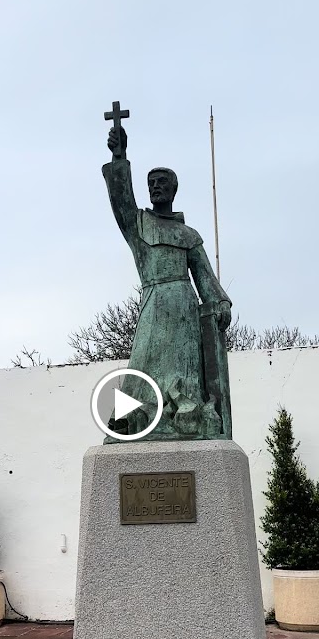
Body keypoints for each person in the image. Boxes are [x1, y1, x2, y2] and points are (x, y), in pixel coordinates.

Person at [103, 123, 232, 440]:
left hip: (183, 307)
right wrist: (120, 157)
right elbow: (121, 199)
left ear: (174, 190)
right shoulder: (139, 224)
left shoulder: (188, 235)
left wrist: (220, 304)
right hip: (153, 302)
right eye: (151, 183)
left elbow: (205, 278)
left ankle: (185, 413)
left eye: (162, 183)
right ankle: (133, 417)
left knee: (181, 368)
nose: (155, 187)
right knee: (144, 361)